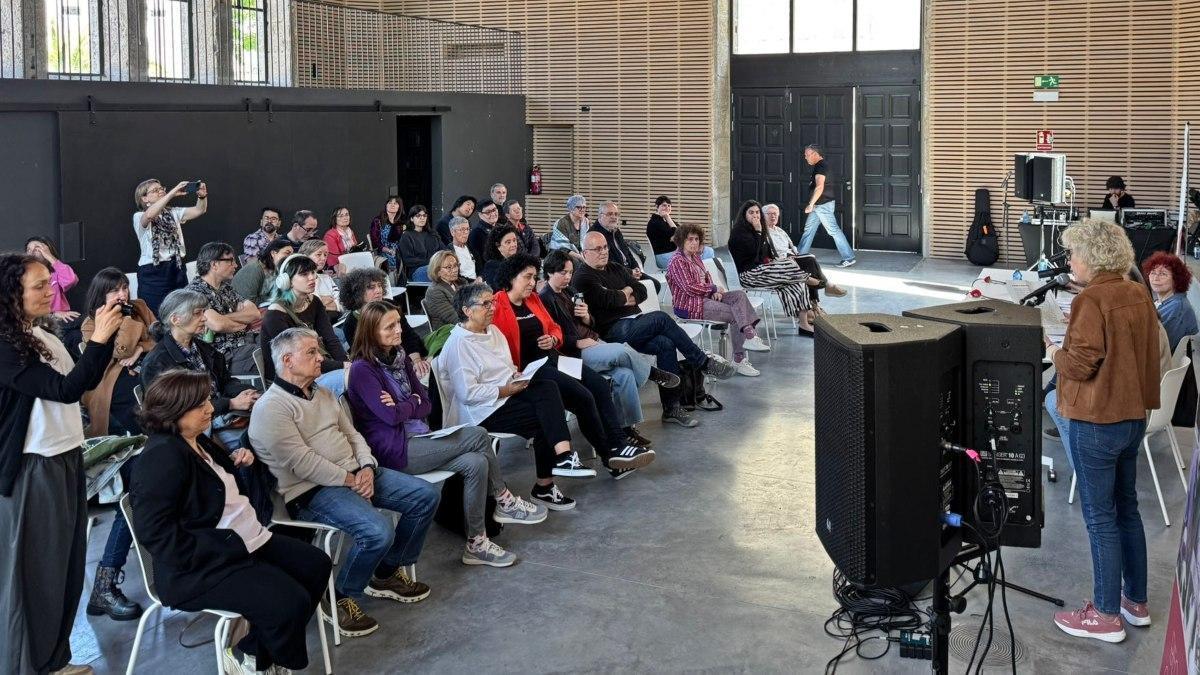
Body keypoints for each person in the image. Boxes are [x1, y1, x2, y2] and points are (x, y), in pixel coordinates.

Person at [131, 369, 331, 674]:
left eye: (208, 401)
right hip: (200, 566)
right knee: (289, 603)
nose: (210, 409)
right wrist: (221, 548)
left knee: (315, 565)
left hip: (245, 540)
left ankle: (252, 653)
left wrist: (239, 462)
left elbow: (214, 492)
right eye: (200, 406)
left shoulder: (196, 440)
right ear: (173, 412)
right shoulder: (161, 458)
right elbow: (156, 535)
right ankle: (258, 660)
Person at [250, 327, 440, 637]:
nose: (321, 358)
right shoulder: (271, 409)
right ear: (287, 360)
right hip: (312, 491)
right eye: (311, 352)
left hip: (356, 473)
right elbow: (302, 463)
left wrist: (366, 465)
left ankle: (386, 572)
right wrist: (351, 479)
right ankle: (339, 596)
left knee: (425, 495)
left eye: (318, 351)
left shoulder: (324, 392)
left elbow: (353, 434)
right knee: (377, 531)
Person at [347, 301, 547, 567]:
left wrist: (404, 403)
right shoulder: (363, 369)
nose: (399, 331)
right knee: (478, 435)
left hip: (419, 437)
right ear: (371, 332)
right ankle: (503, 498)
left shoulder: (401, 356)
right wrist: (411, 403)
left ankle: (476, 543)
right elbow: (390, 416)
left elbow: (426, 403)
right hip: (394, 450)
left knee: (476, 462)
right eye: (390, 327)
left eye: (398, 323)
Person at [0, 251, 119, 674]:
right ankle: (27, 666)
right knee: (36, 576)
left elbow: (83, 384)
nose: (49, 291)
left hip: (66, 456)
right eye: (38, 285)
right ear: (10, 292)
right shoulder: (5, 345)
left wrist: (103, 341)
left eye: (49, 283)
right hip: (36, 466)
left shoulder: (42, 334)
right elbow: (65, 389)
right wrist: (101, 339)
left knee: (66, 570)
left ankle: (54, 660)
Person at [1046, 218, 1161, 643]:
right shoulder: (1137, 291)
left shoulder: (1092, 301)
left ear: (1091, 257)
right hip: (1133, 417)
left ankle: (1107, 615)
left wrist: (1055, 349)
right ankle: (1136, 602)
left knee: (1100, 519)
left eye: (1074, 253)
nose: (1070, 261)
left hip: (1097, 420)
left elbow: (1079, 364)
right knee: (1127, 510)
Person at [492, 254, 655, 477]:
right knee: (584, 397)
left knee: (597, 383)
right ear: (511, 277)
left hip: (554, 358)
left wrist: (553, 339)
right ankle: (610, 454)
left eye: (534, 277)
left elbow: (553, 328)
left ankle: (617, 444)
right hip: (531, 370)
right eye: (527, 277)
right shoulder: (496, 305)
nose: (532, 283)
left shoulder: (533, 300)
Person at [437, 284, 595, 511]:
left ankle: (560, 462)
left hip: (505, 395)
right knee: (546, 417)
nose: (492, 307)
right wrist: (506, 390)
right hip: (481, 411)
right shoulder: (458, 344)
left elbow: (506, 366)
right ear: (467, 310)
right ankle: (549, 480)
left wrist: (515, 375)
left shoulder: (493, 331)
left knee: (548, 388)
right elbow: (468, 394)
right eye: (485, 304)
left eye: (492, 302)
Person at [573, 231, 735, 427]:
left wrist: (623, 294)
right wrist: (625, 292)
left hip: (636, 322)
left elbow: (641, 290)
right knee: (660, 317)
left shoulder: (615, 268)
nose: (603, 252)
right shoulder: (583, 277)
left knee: (666, 344)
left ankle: (671, 408)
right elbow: (608, 300)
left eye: (606, 247)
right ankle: (702, 361)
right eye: (597, 249)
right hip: (612, 330)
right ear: (584, 253)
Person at [540, 250, 681, 450]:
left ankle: (626, 429)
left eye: (570, 272)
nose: (568, 277)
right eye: (562, 273)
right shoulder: (545, 299)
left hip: (593, 340)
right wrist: (577, 343)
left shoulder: (570, 292)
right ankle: (652, 372)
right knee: (620, 351)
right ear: (549, 273)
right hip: (575, 353)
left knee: (625, 375)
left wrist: (587, 316)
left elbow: (591, 323)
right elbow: (552, 336)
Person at [140, 289, 260, 452]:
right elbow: (177, 413)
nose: (204, 318)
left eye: (203, 312)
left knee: (271, 423)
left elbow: (225, 381)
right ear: (176, 319)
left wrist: (248, 393)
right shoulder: (157, 363)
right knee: (260, 441)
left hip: (221, 417)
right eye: (198, 313)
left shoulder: (204, 348)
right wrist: (230, 403)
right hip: (194, 433)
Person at [666, 224, 769, 376]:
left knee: (739, 296)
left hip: (705, 298)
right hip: (689, 306)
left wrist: (712, 289)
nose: (694, 242)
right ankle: (739, 359)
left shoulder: (695, 257)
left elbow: (705, 278)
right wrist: (713, 289)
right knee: (736, 314)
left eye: (696, 239)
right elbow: (689, 287)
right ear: (681, 241)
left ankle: (749, 334)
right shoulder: (677, 261)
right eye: (690, 239)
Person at [80, 267, 155, 437]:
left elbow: (160, 336)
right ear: (101, 294)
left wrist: (140, 348)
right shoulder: (91, 323)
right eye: (114, 291)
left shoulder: (140, 306)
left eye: (125, 288)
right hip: (112, 374)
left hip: (148, 361)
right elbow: (121, 352)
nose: (122, 295)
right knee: (132, 397)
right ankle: (147, 437)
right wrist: (126, 318)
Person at [728, 200, 820, 335]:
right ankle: (808, 279)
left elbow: (767, 254)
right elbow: (754, 254)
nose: (755, 215)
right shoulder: (739, 233)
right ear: (744, 215)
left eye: (757, 212)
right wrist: (759, 233)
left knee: (797, 283)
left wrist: (762, 236)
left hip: (766, 271)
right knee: (788, 265)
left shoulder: (760, 230)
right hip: (750, 275)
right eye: (751, 212)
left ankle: (804, 324)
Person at [261, 255, 349, 395]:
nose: (312, 277)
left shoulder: (314, 302)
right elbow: (299, 359)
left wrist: (345, 364)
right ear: (286, 281)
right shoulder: (275, 315)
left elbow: (330, 339)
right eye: (304, 274)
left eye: (313, 272)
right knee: (355, 377)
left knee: (360, 372)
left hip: (314, 367)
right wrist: (343, 366)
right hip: (293, 380)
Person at [132, 177, 208, 314]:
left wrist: (202, 197)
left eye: (161, 188)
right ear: (144, 199)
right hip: (153, 273)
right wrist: (172, 193)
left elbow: (199, 210)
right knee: (156, 314)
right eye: (155, 190)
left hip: (176, 268)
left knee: (182, 312)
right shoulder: (139, 216)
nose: (161, 191)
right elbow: (149, 215)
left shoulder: (173, 212)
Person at [337, 267, 429, 377]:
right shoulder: (351, 323)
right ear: (357, 292)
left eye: (380, 285)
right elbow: (365, 356)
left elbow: (408, 335)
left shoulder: (390, 305)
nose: (378, 290)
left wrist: (417, 361)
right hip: (382, 370)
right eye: (371, 287)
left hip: (407, 357)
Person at [187, 242, 261, 375]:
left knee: (280, 341)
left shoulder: (226, 287)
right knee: (273, 355)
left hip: (245, 342)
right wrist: (241, 320)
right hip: (224, 355)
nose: (236, 265)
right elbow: (218, 325)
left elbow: (254, 313)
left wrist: (222, 318)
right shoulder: (195, 293)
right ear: (214, 264)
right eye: (230, 261)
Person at [762, 202, 846, 300]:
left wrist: (795, 254)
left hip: (791, 258)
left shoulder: (780, 231)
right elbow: (770, 252)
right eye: (769, 214)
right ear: (763, 216)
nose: (773, 216)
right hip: (780, 263)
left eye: (775, 214)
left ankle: (814, 305)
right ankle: (826, 287)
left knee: (809, 269)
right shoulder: (763, 232)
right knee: (809, 259)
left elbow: (791, 246)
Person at [798, 145, 856, 267]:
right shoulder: (820, 166)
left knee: (833, 230)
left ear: (815, 154)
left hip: (822, 205)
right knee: (809, 229)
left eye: (807, 155)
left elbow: (820, 187)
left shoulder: (821, 166)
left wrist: (811, 204)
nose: (805, 157)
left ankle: (849, 257)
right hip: (819, 205)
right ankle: (800, 256)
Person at [1142, 251, 1197, 352]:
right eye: (1153, 272)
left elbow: (1159, 347)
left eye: (1163, 274)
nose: (1155, 278)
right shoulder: (1164, 302)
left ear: (1176, 279)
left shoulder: (1177, 307)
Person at [646, 196, 713, 268]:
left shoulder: (664, 220)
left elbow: (682, 231)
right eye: (664, 205)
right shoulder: (655, 222)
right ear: (657, 206)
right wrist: (668, 217)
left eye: (669, 206)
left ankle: (700, 274)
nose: (667, 208)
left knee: (706, 250)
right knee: (707, 252)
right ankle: (702, 274)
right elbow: (678, 234)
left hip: (673, 253)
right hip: (664, 257)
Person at [25, 236, 79, 324]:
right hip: (36, 322)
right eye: (28, 250)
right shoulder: (22, 276)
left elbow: (71, 280)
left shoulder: (55, 273)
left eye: (37, 248)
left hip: (60, 321)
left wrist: (50, 257)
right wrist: (53, 314)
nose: (31, 252)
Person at [426, 249, 478, 331]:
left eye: (456, 265)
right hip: (449, 332)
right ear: (437, 271)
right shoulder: (434, 291)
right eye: (449, 267)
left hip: (467, 324)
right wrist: (479, 321)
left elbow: (474, 303)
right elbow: (454, 319)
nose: (455, 270)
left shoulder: (461, 282)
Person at [233, 238, 295, 306]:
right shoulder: (254, 270)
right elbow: (248, 303)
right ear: (273, 253)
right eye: (287, 253)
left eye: (292, 255)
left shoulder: (278, 270)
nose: (290, 257)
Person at [398, 205, 445, 282]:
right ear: (412, 218)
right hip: (417, 270)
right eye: (418, 215)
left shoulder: (432, 234)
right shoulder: (406, 236)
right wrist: (432, 263)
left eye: (424, 215)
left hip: (436, 267)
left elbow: (444, 251)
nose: (422, 218)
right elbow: (408, 260)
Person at [298, 238, 341, 312]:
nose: (323, 258)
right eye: (318, 254)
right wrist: (328, 300)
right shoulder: (298, 280)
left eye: (325, 255)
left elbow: (341, 303)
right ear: (305, 256)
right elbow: (305, 305)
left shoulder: (327, 278)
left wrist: (320, 303)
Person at [369, 195, 406, 272]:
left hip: (399, 254)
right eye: (390, 203)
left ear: (399, 206)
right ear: (386, 205)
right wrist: (388, 250)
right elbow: (375, 242)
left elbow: (405, 241)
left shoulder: (402, 223)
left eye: (395, 203)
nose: (392, 205)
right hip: (383, 253)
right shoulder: (378, 221)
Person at [550, 194, 590, 260]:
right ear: (571, 209)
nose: (582, 210)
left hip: (581, 255)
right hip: (561, 255)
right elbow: (562, 248)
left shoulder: (586, 222)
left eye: (584, 207)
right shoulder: (561, 223)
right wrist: (581, 258)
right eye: (579, 207)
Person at [323, 206, 362, 271]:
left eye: (347, 215)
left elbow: (355, 250)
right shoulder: (330, 235)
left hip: (353, 264)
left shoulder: (350, 232)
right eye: (341, 216)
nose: (345, 218)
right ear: (334, 219)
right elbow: (334, 260)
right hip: (338, 268)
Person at [482, 223, 520, 289]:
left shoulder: (518, 261)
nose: (513, 244)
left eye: (514, 240)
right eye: (508, 242)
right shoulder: (492, 265)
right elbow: (498, 290)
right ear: (498, 245)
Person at [447, 216, 483, 282]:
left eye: (467, 229)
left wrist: (480, 277)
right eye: (462, 229)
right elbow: (454, 275)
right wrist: (473, 282)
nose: (466, 232)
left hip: (477, 284)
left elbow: (480, 268)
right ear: (452, 232)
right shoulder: (448, 252)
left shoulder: (472, 249)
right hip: (461, 285)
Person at [468, 198, 502, 265]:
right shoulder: (476, 234)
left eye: (494, 210)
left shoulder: (501, 228)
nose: (493, 214)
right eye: (488, 212)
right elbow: (479, 261)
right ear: (480, 215)